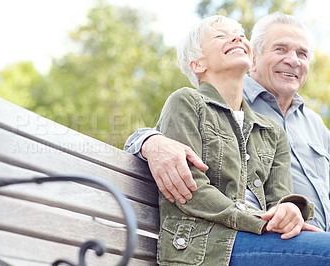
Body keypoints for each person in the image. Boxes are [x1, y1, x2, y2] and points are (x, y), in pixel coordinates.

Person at [125, 12, 330, 232]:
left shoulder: (313, 124)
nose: (293, 60)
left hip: (297, 238)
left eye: (302, 53)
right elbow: (167, 131)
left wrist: (289, 210)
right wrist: (150, 140)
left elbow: (281, 199)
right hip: (246, 237)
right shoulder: (201, 103)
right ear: (255, 59)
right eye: (280, 49)